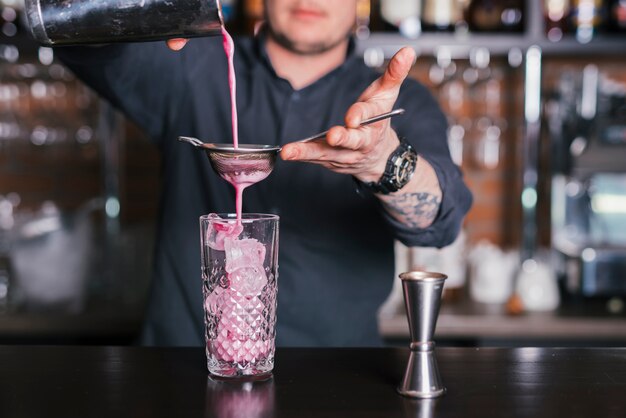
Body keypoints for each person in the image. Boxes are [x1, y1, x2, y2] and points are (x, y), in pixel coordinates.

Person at [55, 0, 472, 347]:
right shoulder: (188, 63)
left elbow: (440, 218)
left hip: (338, 378)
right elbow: (78, 35)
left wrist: (382, 162)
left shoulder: (398, 101)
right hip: (180, 372)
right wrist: (140, 10)